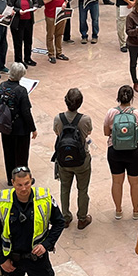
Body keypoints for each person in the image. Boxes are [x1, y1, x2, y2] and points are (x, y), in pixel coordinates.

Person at [53, 88, 94, 230]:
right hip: (82, 160)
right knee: (82, 189)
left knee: (65, 188)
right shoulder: (85, 119)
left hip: (64, 160)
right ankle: (82, 218)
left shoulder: (58, 118)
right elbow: (88, 132)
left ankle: (65, 217)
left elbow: (57, 132)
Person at [105, 84, 138, 219]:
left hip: (115, 151)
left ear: (118, 97)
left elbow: (106, 132)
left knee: (117, 182)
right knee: (135, 182)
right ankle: (135, 211)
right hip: (134, 152)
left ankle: (118, 210)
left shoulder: (111, 112)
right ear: (131, 98)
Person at [0, 63, 37, 185]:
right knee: (21, 155)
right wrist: (33, 129)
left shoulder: (2, 86)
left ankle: (11, 179)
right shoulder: (21, 91)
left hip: (5, 126)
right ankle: (22, 180)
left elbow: (0, 104)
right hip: (20, 129)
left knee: (8, 152)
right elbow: (26, 112)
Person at [7, 0, 39, 67]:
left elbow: (36, 2)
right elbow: (10, 6)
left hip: (28, 20)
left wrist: (35, 7)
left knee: (28, 41)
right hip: (18, 22)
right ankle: (18, 61)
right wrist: (18, 11)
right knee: (18, 42)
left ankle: (28, 58)